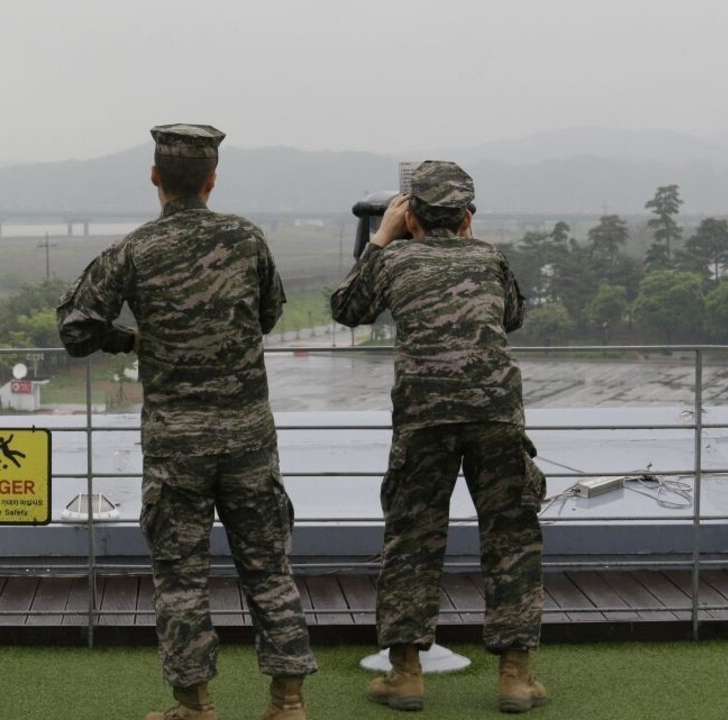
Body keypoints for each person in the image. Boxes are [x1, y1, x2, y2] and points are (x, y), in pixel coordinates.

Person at [58, 124, 317, 720]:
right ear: (211, 180)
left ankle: (195, 707)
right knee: (270, 569)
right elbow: (271, 312)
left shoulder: (134, 250)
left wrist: (130, 336)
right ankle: (288, 703)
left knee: (181, 581)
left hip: (176, 446)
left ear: (155, 179)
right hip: (249, 438)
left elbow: (76, 329)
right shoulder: (247, 239)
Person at [330, 161, 547, 713]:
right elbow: (513, 317)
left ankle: (405, 675)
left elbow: (347, 310)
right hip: (496, 414)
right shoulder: (490, 257)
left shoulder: (396, 257)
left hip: (424, 418)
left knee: (412, 541)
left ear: (412, 217)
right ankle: (516, 679)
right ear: (468, 215)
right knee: (512, 538)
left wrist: (381, 239)